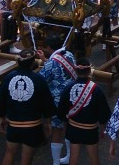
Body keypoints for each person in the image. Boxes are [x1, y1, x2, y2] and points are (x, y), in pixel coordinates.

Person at [0, 48, 54, 165]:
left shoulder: (9, 77)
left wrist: (1, 117)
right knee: (26, 158)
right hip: (32, 126)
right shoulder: (39, 79)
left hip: (13, 123)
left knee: (9, 153)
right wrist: (47, 122)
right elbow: (47, 103)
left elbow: (1, 99)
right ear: (32, 63)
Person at [56, 58, 111, 165]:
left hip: (73, 127)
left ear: (75, 71)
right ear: (90, 70)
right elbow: (103, 112)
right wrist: (103, 126)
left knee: (73, 157)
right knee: (94, 157)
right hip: (90, 129)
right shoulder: (96, 89)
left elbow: (62, 109)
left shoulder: (68, 87)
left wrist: (65, 123)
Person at [38, 35, 76, 165]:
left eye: (44, 47)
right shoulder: (69, 55)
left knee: (56, 130)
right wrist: (45, 60)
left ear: (49, 47)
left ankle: (55, 162)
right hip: (72, 99)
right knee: (69, 128)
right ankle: (69, 156)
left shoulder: (52, 62)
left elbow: (41, 80)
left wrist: (44, 62)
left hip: (57, 101)